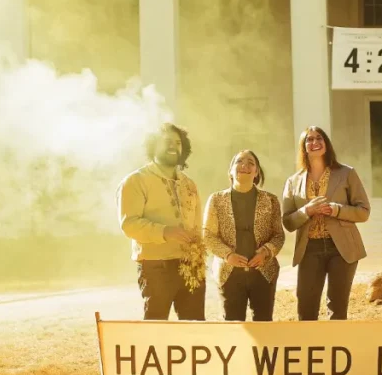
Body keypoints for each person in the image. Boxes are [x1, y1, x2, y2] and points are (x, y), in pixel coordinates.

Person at [117, 123, 204, 320]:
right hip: (156, 267)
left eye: (178, 142)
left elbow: (197, 226)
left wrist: (198, 258)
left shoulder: (189, 184)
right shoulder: (136, 181)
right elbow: (129, 224)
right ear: (152, 146)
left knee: (196, 327)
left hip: (190, 265)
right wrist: (165, 231)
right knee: (156, 328)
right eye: (167, 142)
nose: (174, 146)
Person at [282, 126, 371, 320]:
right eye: (309, 139)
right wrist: (307, 211)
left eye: (319, 138)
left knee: (337, 307)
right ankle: (309, 347)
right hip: (309, 249)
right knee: (306, 307)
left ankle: (336, 348)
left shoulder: (347, 173)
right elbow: (288, 222)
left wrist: (336, 209)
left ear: (326, 144)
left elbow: (363, 212)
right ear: (303, 147)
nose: (314, 142)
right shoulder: (293, 181)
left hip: (342, 248)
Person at [203, 150, 284, 321]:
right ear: (230, 171)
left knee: (263, 326)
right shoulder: (216, 200)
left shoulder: (271, 200)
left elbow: (278, 236)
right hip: (229, 273)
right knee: (233, 327)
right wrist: (228, 255)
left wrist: (265, 252)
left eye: (251, 163)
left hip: (263, 273)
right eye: (239, 161)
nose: (245, 165)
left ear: (256, 173)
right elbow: (208, 235)